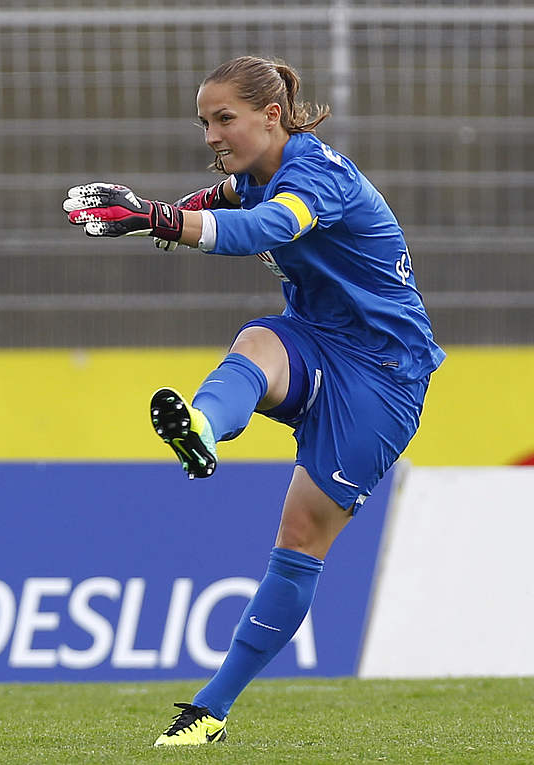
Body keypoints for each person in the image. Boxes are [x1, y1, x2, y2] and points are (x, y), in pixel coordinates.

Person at [63, 55, 444, 746]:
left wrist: (154, 218)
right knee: (257, 342)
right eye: (204, 122)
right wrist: (143, 212)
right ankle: (202, 429)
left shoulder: (317, 177)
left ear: (272, 116)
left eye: (224, 119)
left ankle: (211, 709)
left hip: (385, 378)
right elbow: (221, 203)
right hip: (317, 339)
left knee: (301, 541)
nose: (212, 135)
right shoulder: (253, 174)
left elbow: (264, 230)